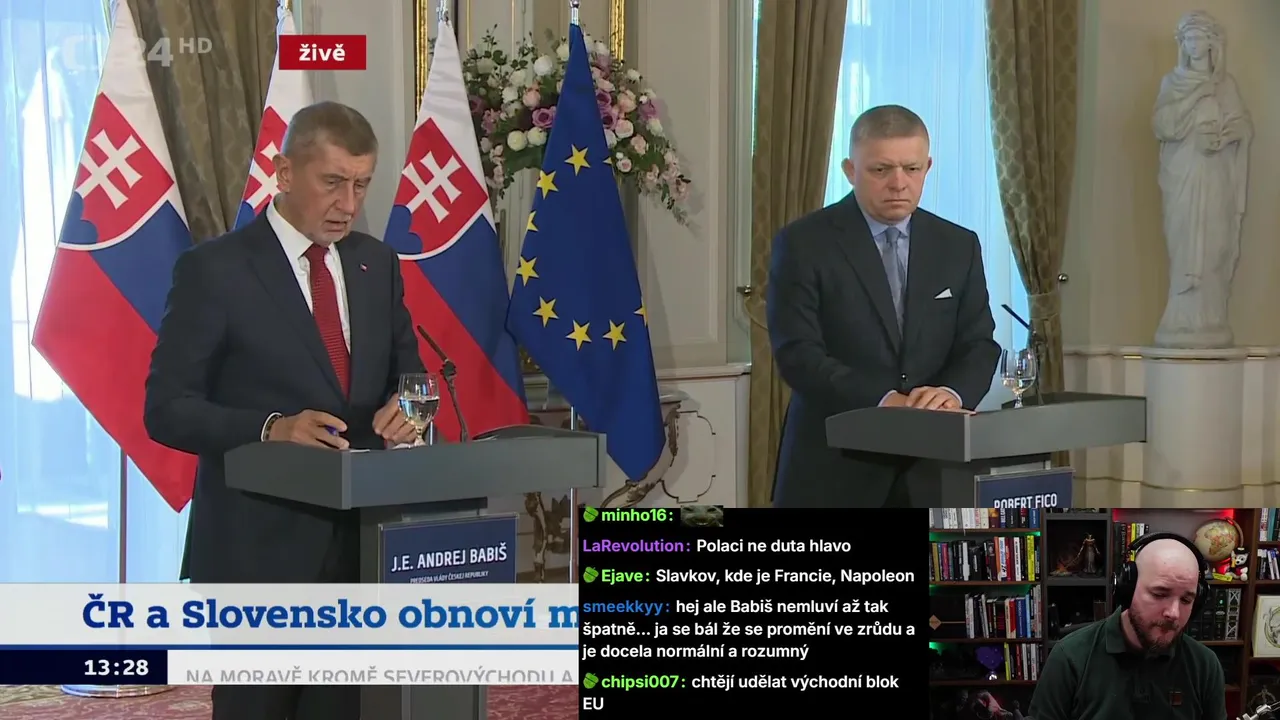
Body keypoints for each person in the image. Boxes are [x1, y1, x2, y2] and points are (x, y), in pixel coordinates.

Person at [144, 101, 424, 720]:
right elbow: (166, 409)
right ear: (285, 172)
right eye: (333, 182)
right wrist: (270, 428)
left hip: (364, 550)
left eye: (361, 185)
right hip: (257, 553)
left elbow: (410, 377)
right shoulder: (215, 270)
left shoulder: (377, 265)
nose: (348, 204)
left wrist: (409, 410)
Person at [767, 104, 999, 508]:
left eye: (911, 169)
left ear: (927, 167)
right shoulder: (803, 243)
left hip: (936, 468)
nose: (898, 183)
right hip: (835, 469)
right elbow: (798, 354)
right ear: (850, 170)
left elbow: (979, 343)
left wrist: (950, 393)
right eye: (881, 169)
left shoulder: (958, 244)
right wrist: (887, 400)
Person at [1028, 535, 1227, 720]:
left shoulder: (1204, 666)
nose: (1174, 613)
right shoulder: (1069, 658)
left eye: (1186, 600)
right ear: (1127, 590)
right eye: (1159, 594)